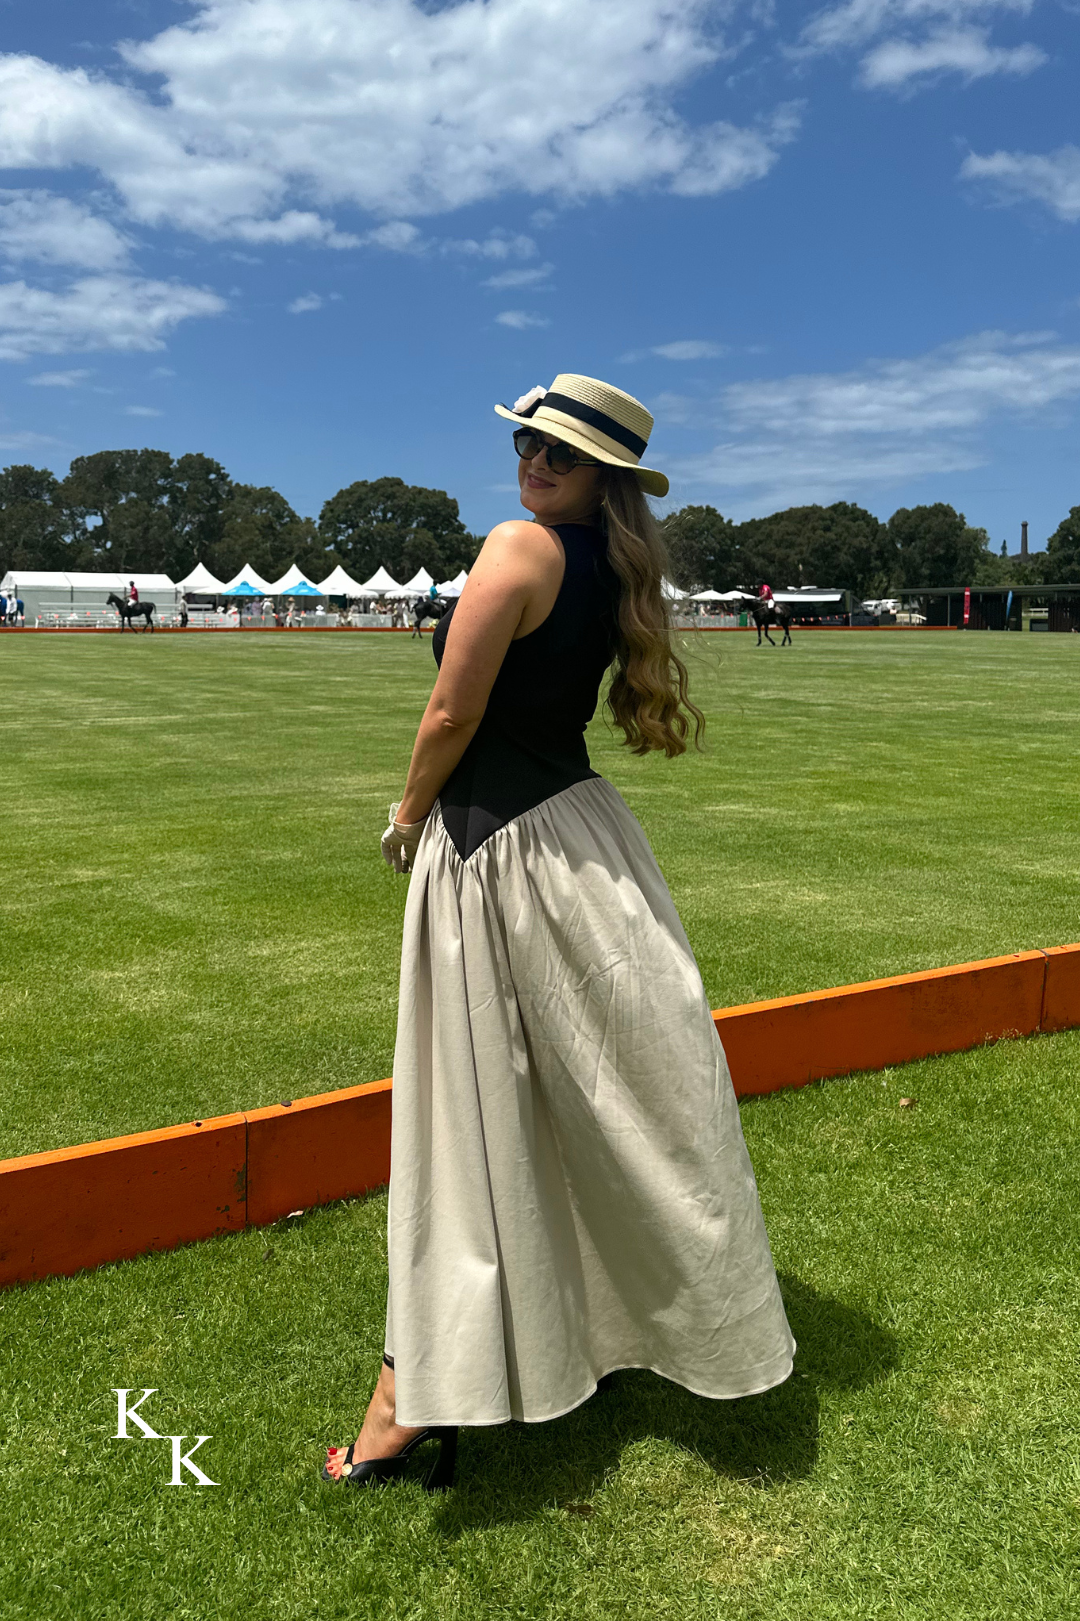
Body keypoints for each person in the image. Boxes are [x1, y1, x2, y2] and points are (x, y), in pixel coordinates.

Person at [323, 372, 794, 1493]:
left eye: (561, 454)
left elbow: (453, 709)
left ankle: (410, 1395)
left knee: (470, 1109)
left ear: (603, 476)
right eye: (529, 444)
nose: (535, 463)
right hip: (580, 843)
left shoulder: (519, 549)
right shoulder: (608, 568)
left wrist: (405, 816)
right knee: (591, 1099)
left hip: (496, 849)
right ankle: (588, 1330)